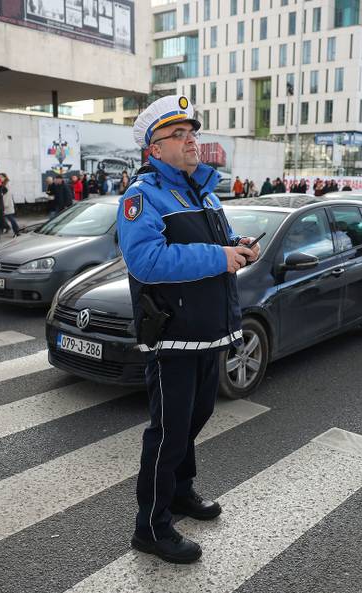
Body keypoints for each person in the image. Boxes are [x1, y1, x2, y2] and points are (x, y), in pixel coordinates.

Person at [118, 95, 259, 564]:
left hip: (210, 330)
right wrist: (219, 257)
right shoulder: (143, 196)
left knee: (193, 422)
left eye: (192, 132)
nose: (190, 141)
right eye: (178, 135)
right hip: (174, 334)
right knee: (168, 433)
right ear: (153, 150)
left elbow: (213, 243)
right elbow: (145, 261)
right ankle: (151, 528)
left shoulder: (203, 190)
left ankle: (180, 492)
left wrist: (236, 246)